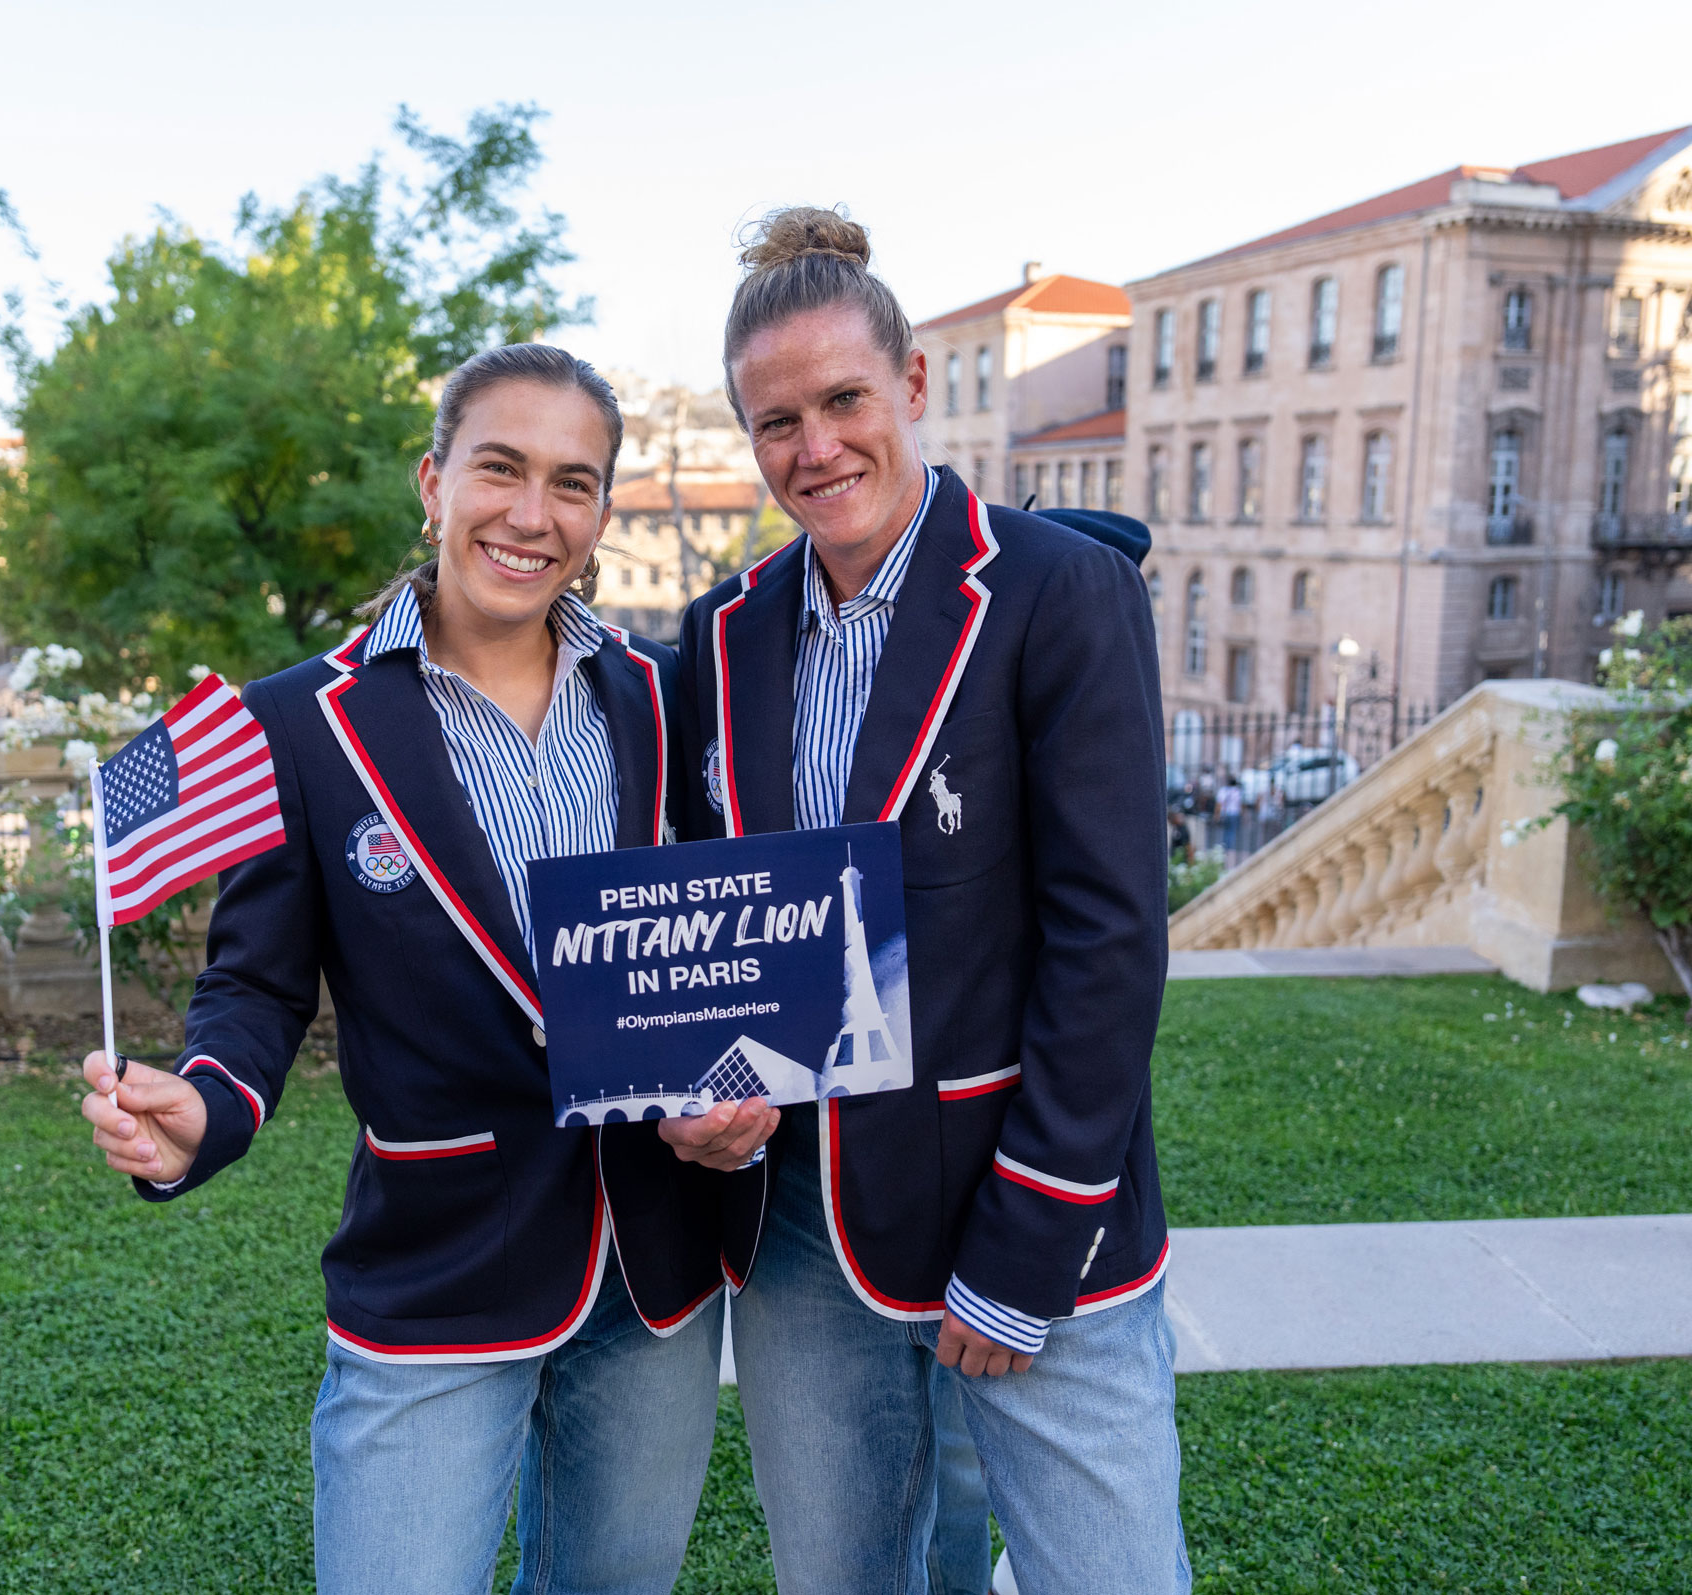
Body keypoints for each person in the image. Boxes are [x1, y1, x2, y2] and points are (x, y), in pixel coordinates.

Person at [78, 343, 777, 1595]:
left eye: (572, 482)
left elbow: (707, 940)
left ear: (603, 512)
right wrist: (206, 1105)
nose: (529, 513)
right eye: (497, 468)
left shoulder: (658, 697)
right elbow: (255, 984)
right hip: (438, 1266)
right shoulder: (301, 722)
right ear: (432, 479)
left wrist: (738, 1095)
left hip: (651, 1265)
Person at [676, 208, 1188, 1594]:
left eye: (844, 398)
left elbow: (1111, 941)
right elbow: (709, 919)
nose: (816, 445)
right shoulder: (722, 636)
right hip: (802, 1236)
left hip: (1026, 1212)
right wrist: (699, 1089)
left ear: (911, 386)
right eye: (776, 420)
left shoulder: (1059, 591)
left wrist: (1030, 1241)